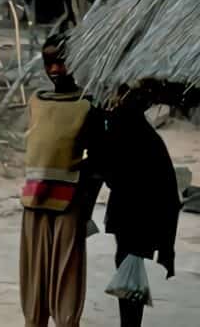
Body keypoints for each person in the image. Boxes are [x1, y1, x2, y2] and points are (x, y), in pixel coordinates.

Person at [19, 34, 103, 327]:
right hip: (33, 199)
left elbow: (97, 164)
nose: (55, 69)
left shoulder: (88, 106)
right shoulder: (37, 101)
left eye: (61, 62)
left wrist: (86, 209)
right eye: (49, 63)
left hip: (69, 202)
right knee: (34, 277)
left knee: (66, 277)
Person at [92, 96, 181, 327]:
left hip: (133, 219)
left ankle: (130, 324)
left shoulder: (123, 134)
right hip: (146, 220)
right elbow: (169, 193)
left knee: (128, 273)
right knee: (130, 272)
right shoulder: (150, 139)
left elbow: (106, 170)